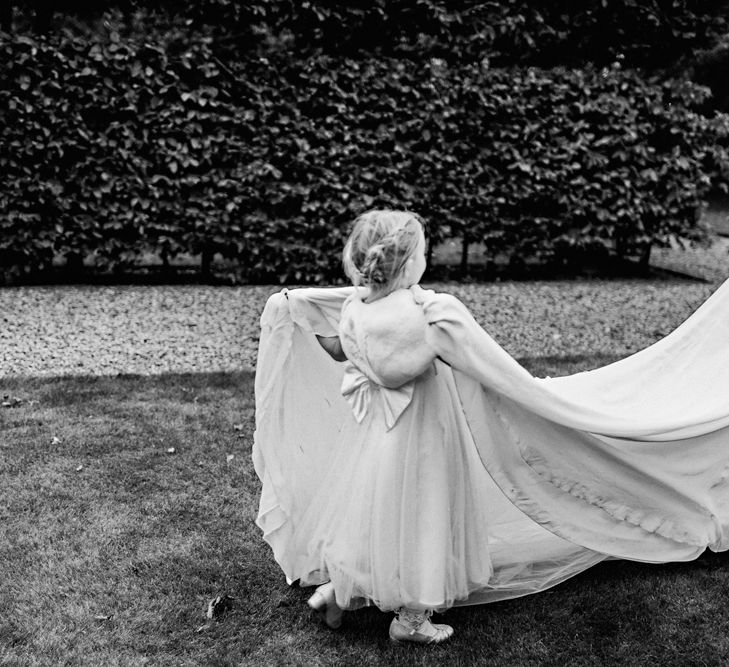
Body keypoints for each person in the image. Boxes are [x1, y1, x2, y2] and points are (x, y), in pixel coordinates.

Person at [252, 208, 729, 646]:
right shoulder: (434, 316)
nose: (426, 259)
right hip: (423, 435)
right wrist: (541, 398)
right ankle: (411, 621)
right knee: (424, 516)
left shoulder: (355, 309)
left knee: (376, 510)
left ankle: (338, 590)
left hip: (376, 433)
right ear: (407, 265)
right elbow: (490, 368)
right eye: (421, 253)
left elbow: (337, 349)